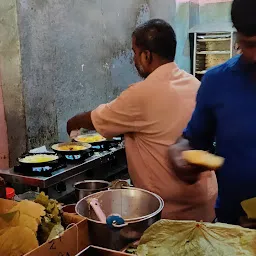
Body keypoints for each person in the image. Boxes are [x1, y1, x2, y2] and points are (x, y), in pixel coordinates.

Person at [67, 19, 217, 221]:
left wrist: (74, 122)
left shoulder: (141, 94)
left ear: (147, 55)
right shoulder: (194, 83)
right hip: (206, 202)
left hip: (171, 213)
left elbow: (97, 118)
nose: (133, 60)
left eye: (135, 53)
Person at [169, 0, 256, 225]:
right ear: (237, 37)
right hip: (231, 226)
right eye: (249, 45)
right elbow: (193, 140)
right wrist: (179, 153)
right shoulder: (217, 81)